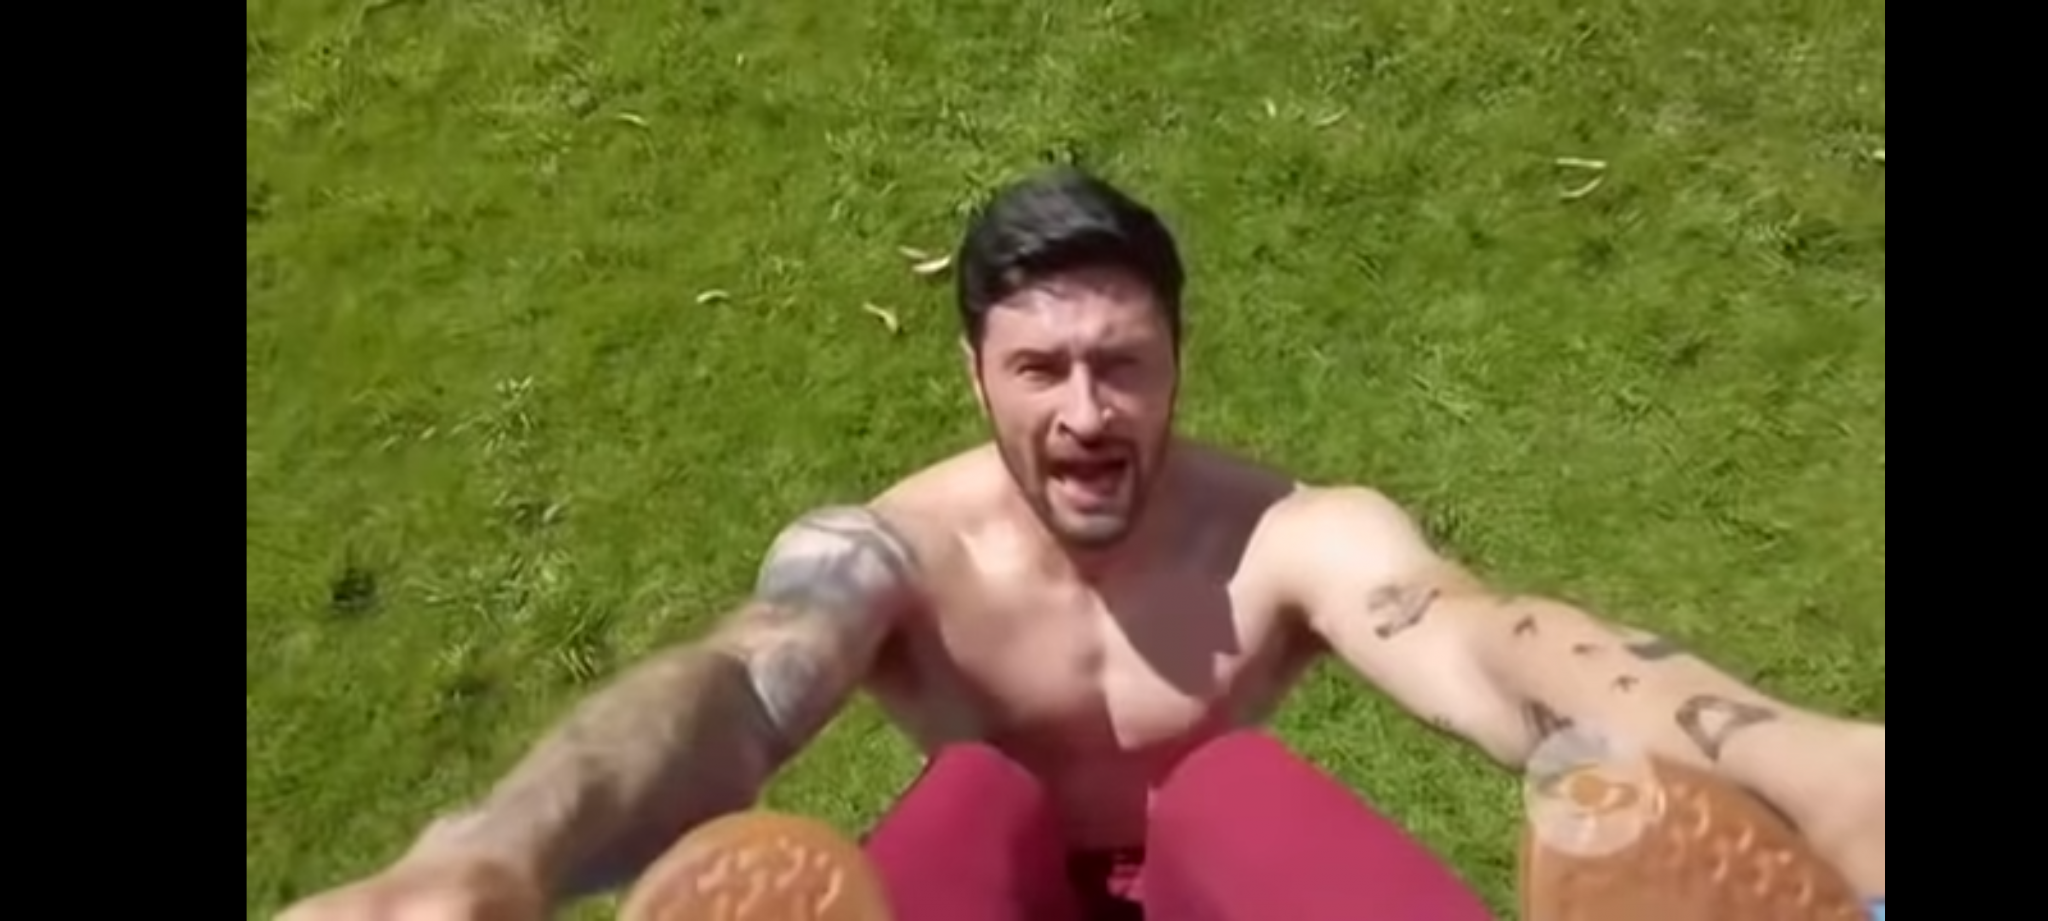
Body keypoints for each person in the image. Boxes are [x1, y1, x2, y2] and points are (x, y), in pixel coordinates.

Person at [276, 167, 1886, 921]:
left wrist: (1807, 763)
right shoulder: (890, 555)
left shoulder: (1289, 538)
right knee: (973, 799)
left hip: (1214, 897)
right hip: (996, 900)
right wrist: (494, 848)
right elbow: (733, 689)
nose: (1087, 409)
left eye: (1123, 363)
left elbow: (1490, 640)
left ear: (1179, 364)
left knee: (1238, 792)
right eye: (1040, 368)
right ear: (972, 377)